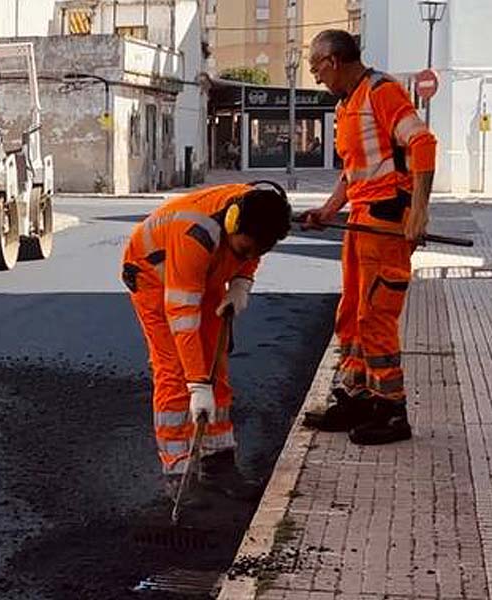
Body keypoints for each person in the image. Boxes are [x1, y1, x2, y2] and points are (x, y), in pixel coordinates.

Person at [299, 29, 437, 445]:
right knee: (352, 314)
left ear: (333, 61)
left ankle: (391, 410)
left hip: (386, 222)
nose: (315, 77)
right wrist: (327, 211)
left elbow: (423, 143)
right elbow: (353, 172)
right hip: (362, 220)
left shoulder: (382, 92)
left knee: (376, 315)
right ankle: (358, 396)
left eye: (316, 68)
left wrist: (419, 211)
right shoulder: (348, 104)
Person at [121, 182, 292, 504]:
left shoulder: (254, 211)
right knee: (175, 372)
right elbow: (182, 318)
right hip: (154, 277)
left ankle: (218, 463)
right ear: (232, 222)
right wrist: (198, 385)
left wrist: (242, 281)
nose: (250, 256)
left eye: (258, 252)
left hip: (207, 272)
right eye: (244, 251)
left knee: (216, 361)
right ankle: (178, 472)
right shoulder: (194, 233)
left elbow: (251, 250)